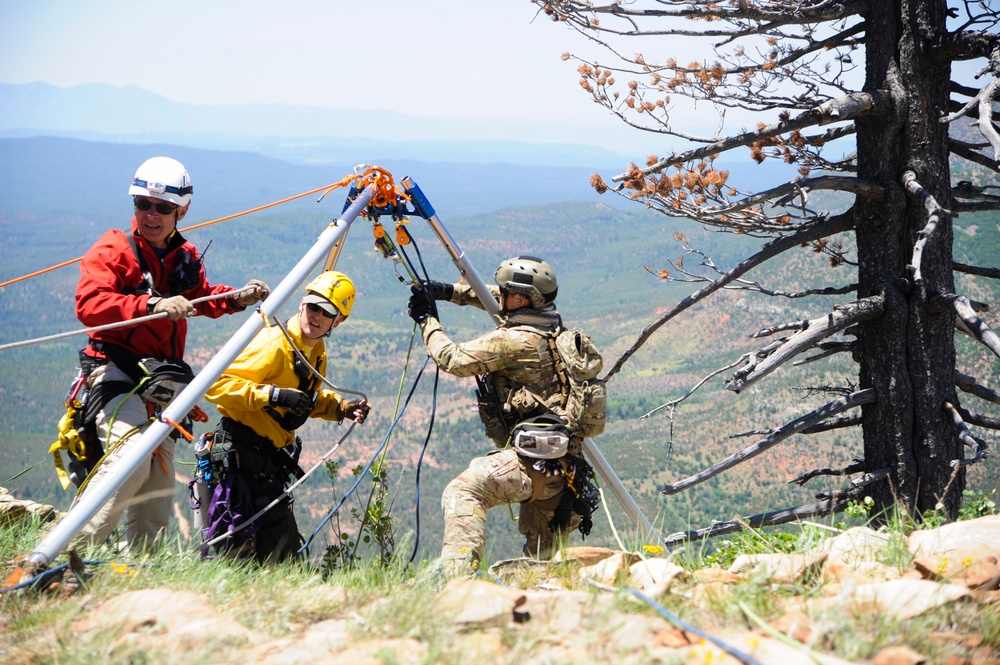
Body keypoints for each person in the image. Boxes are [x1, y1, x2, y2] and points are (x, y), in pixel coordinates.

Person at [74, 156, 269, 551]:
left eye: (163, 207)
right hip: (115, 373)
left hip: (160, 385)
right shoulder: (115, 249)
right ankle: (65, 553)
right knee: (130, 460)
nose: (151, 214)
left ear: (182, 210)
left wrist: (235, 298)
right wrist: (149, 305)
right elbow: (90, 304)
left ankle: (136, 574)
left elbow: (198, 298)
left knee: (157, 494)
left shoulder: (183, 256)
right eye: (143, 204)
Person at [407, 256, 601, 576]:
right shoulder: (555, 328)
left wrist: (427, 319)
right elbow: (497, 303)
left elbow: (452, 359)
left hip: (531, 465)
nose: (500, 296)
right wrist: (450, 292)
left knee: (463, 492)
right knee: (543, 569)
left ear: (521, 299)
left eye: (506, 292)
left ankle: (459, 584)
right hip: (566, 475)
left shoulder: (513, 340)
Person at [203, 271, 371, 563]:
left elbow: (305, 399)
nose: (316, 316)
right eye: (313, 307)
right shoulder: (276, 343)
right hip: (240, 457)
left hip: (265, 462)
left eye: (326, 312)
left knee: (273, 558)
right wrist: (272, 395)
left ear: (338, 321)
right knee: (266, 559)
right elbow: (216, 385)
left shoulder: (315, 352)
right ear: (301, 304)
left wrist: (340, 407)